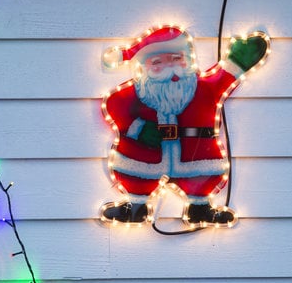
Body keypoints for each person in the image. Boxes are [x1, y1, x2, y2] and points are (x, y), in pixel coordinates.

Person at [99, 25, 269, 227]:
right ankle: (136, 207)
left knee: (203, 178)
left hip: (196, 156)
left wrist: (237, 62)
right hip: (145, 159)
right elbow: (114, 104)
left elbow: (222, 80)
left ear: (187, 59)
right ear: (143, 67)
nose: (170, 66)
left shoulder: (202, 88)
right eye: (157, 62)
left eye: (176, 58)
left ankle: (200, 209)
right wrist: (138, 128)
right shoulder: (136, 92)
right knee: (136, 178)